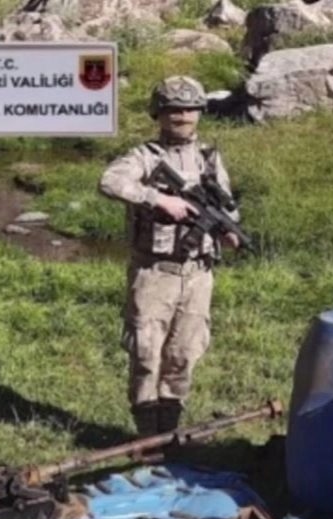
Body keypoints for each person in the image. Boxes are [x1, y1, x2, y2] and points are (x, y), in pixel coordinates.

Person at [98, 75, 243, 438]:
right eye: (172, 110)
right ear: (158, 114)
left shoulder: (210, 159)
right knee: (146, 355)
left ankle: (170, 435)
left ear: (200, 113)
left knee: (184, 354)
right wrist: (159, 199)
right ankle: (148, 438)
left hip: (198, 275)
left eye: (189, 109)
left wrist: (228, 230)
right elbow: (110, 182)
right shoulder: (145, 157)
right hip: (154, 273)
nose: (181, 116)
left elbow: (228, 207)